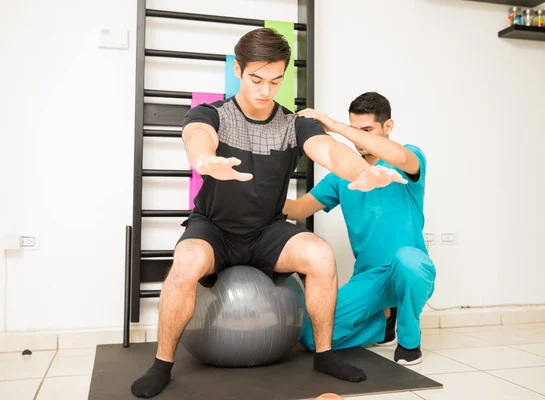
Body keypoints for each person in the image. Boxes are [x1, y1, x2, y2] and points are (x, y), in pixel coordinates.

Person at [131, 29, 406, 398]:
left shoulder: (294, 124)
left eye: (275, 81)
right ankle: (161, 364)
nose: (265, 90)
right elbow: (197, 135)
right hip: (214, 229)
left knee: (319, 252)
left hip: (267, 232)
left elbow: (326, 149)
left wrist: (360, 170)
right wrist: (205, 160)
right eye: (256, 79)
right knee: (185, 259)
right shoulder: (210, 113)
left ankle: (324, 355)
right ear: (238, 71)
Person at [284, 92, 436, 366]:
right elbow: (297, 209)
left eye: (365, 131)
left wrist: (339, 128)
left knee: (407, 260)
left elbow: (400, 156)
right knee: (310, 338)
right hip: (370, 278)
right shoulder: (339, 178)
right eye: (355, 131)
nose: (357, 140)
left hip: (410, 269)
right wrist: (250, 194)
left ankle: (409, 340)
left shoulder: (409, 158)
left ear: (387, 127)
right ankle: (384, 323)